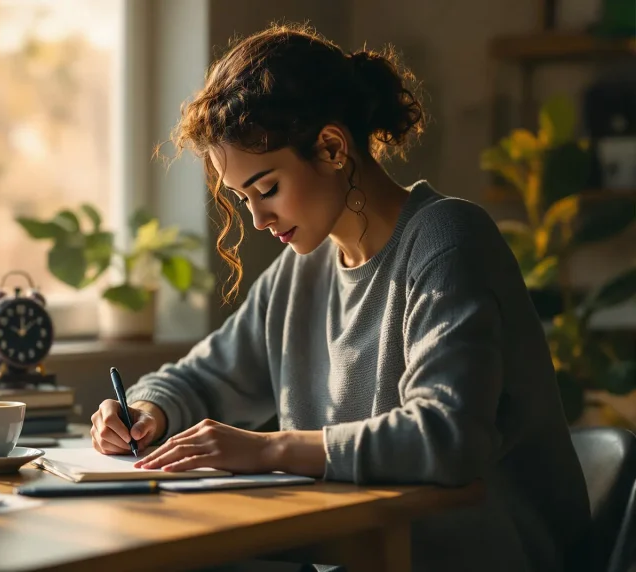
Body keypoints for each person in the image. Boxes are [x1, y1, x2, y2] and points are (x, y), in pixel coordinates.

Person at [89, 22, 591, 572]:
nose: (257, 219)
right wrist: (146, 410)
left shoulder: (448, 240)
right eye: (242, 199)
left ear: (331, 147)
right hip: (365, 552)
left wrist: (269, 448)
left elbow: (447, 435)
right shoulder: (301, 273)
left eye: (267, 189)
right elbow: (201, 377)